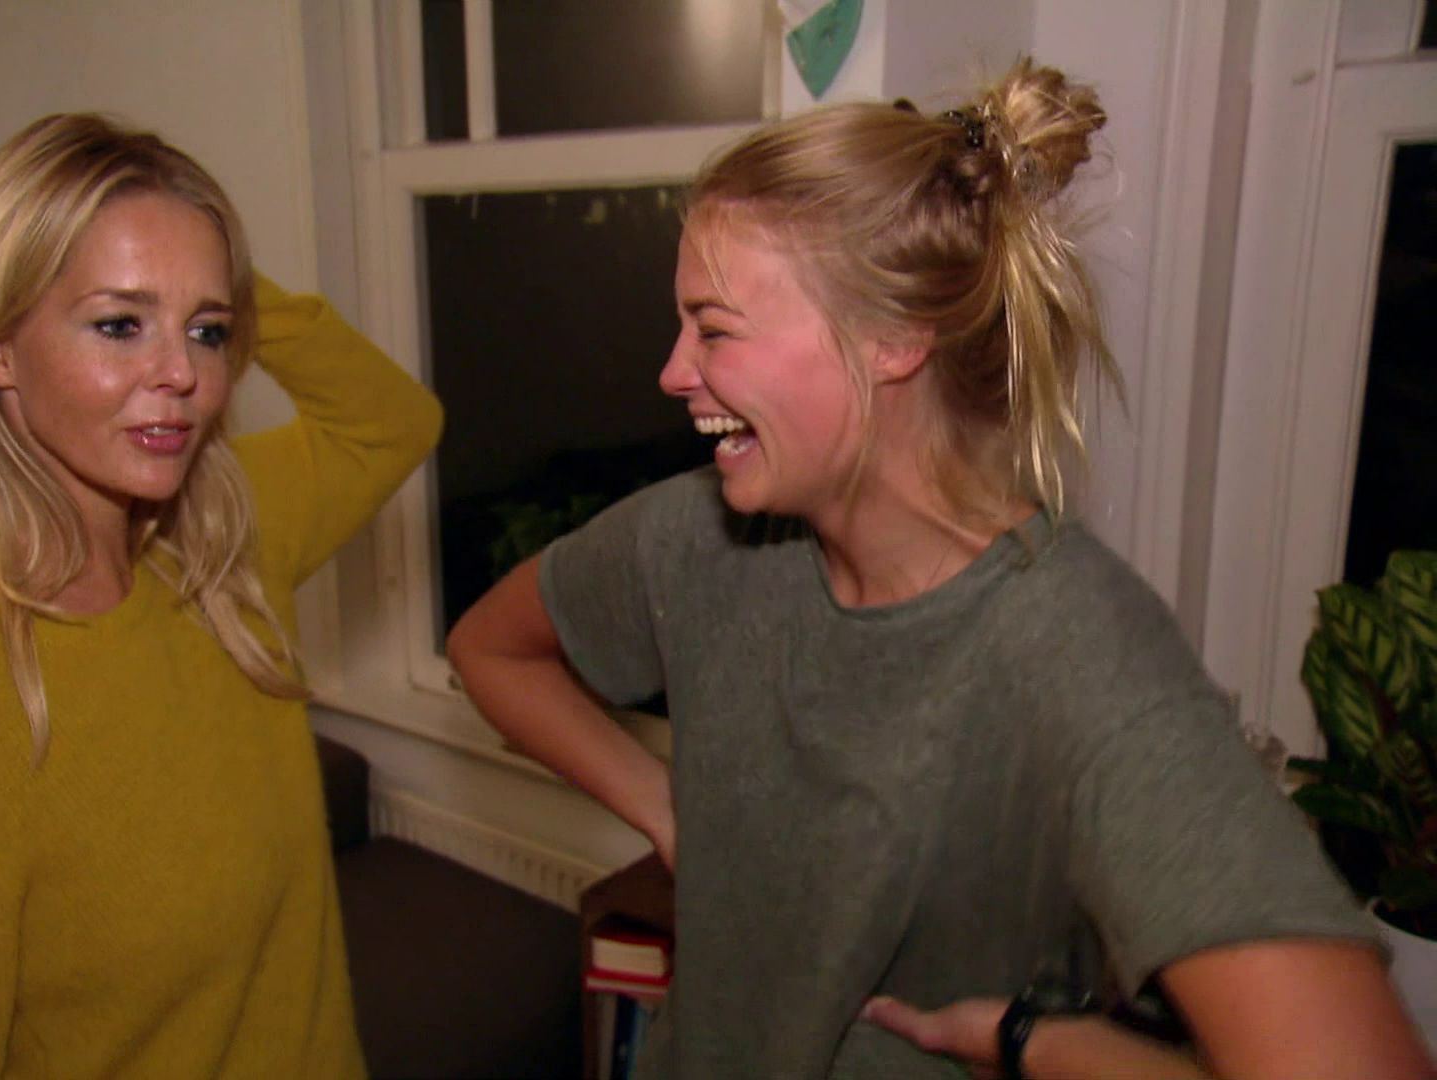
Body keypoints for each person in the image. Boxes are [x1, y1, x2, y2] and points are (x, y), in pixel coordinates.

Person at [447, 59, 1431, 1079]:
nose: (671, 372)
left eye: (715, 328)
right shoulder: (691, 536)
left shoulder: (1075, 653)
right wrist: (671, 812)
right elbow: (490, 650)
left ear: (893, 338)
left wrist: (1052, 1047)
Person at [0, 113, 441, 1078]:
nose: (183, 376)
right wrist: (188, 283)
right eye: (119, 325)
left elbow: (394, 420)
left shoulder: (220, 546)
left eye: (208, 333)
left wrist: (207, 269)